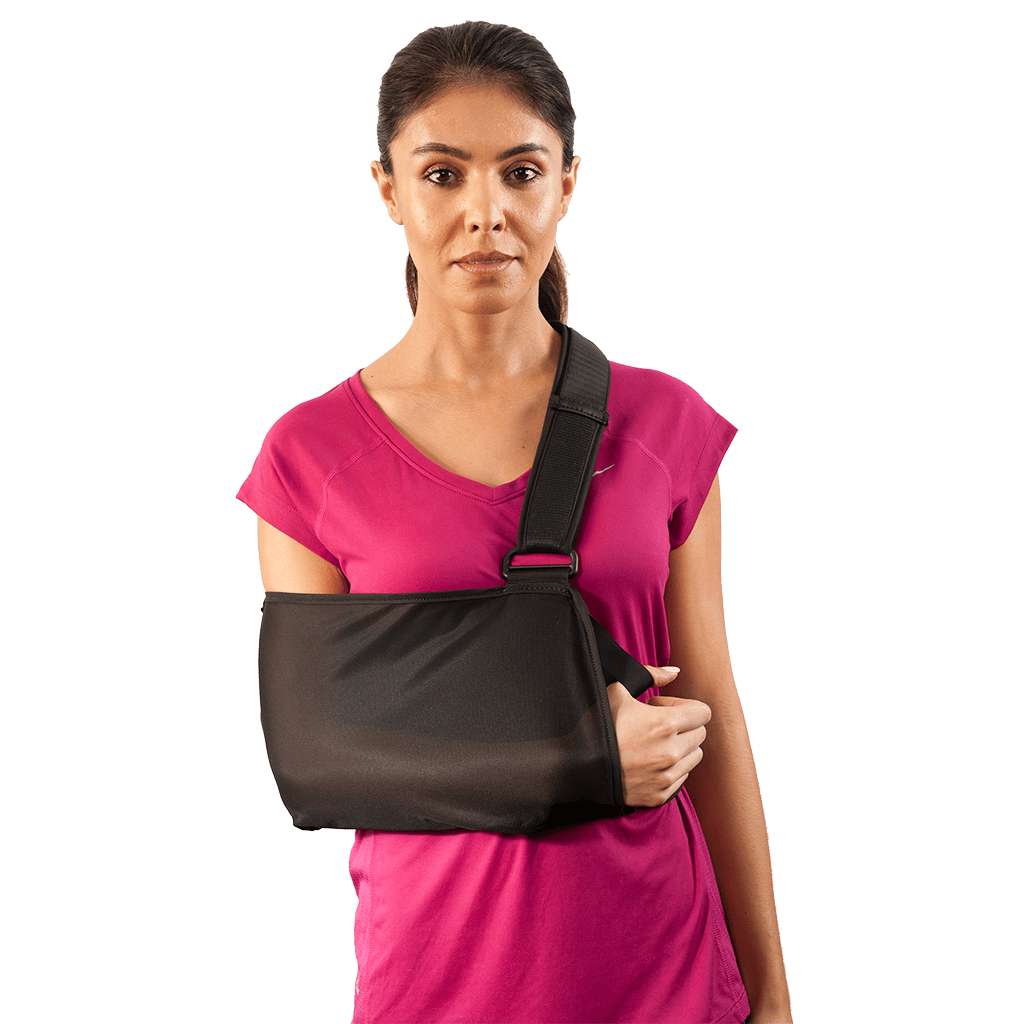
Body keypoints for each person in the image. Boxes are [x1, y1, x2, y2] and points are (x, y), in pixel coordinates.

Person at [237, 20, 792, 1024]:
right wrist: (580, 761)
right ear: (388, 190)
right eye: (443, 175)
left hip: (662, 973)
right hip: (437, 981)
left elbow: (711, 706)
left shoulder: (663, 424)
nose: (485, 212)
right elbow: (321, 755)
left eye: (521, 172)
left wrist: (774, 994)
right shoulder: (310, 454)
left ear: (566, 185)